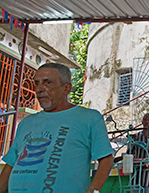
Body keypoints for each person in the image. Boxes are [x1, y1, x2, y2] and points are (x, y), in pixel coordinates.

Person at [0, 63, 113, 193]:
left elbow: (106, 159)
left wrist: (93, 190)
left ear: (66, 88)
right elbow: (11, 165)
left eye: (47, 82)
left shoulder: (88, 118)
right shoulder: (26, 123)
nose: (39, 89)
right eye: (37, 83)